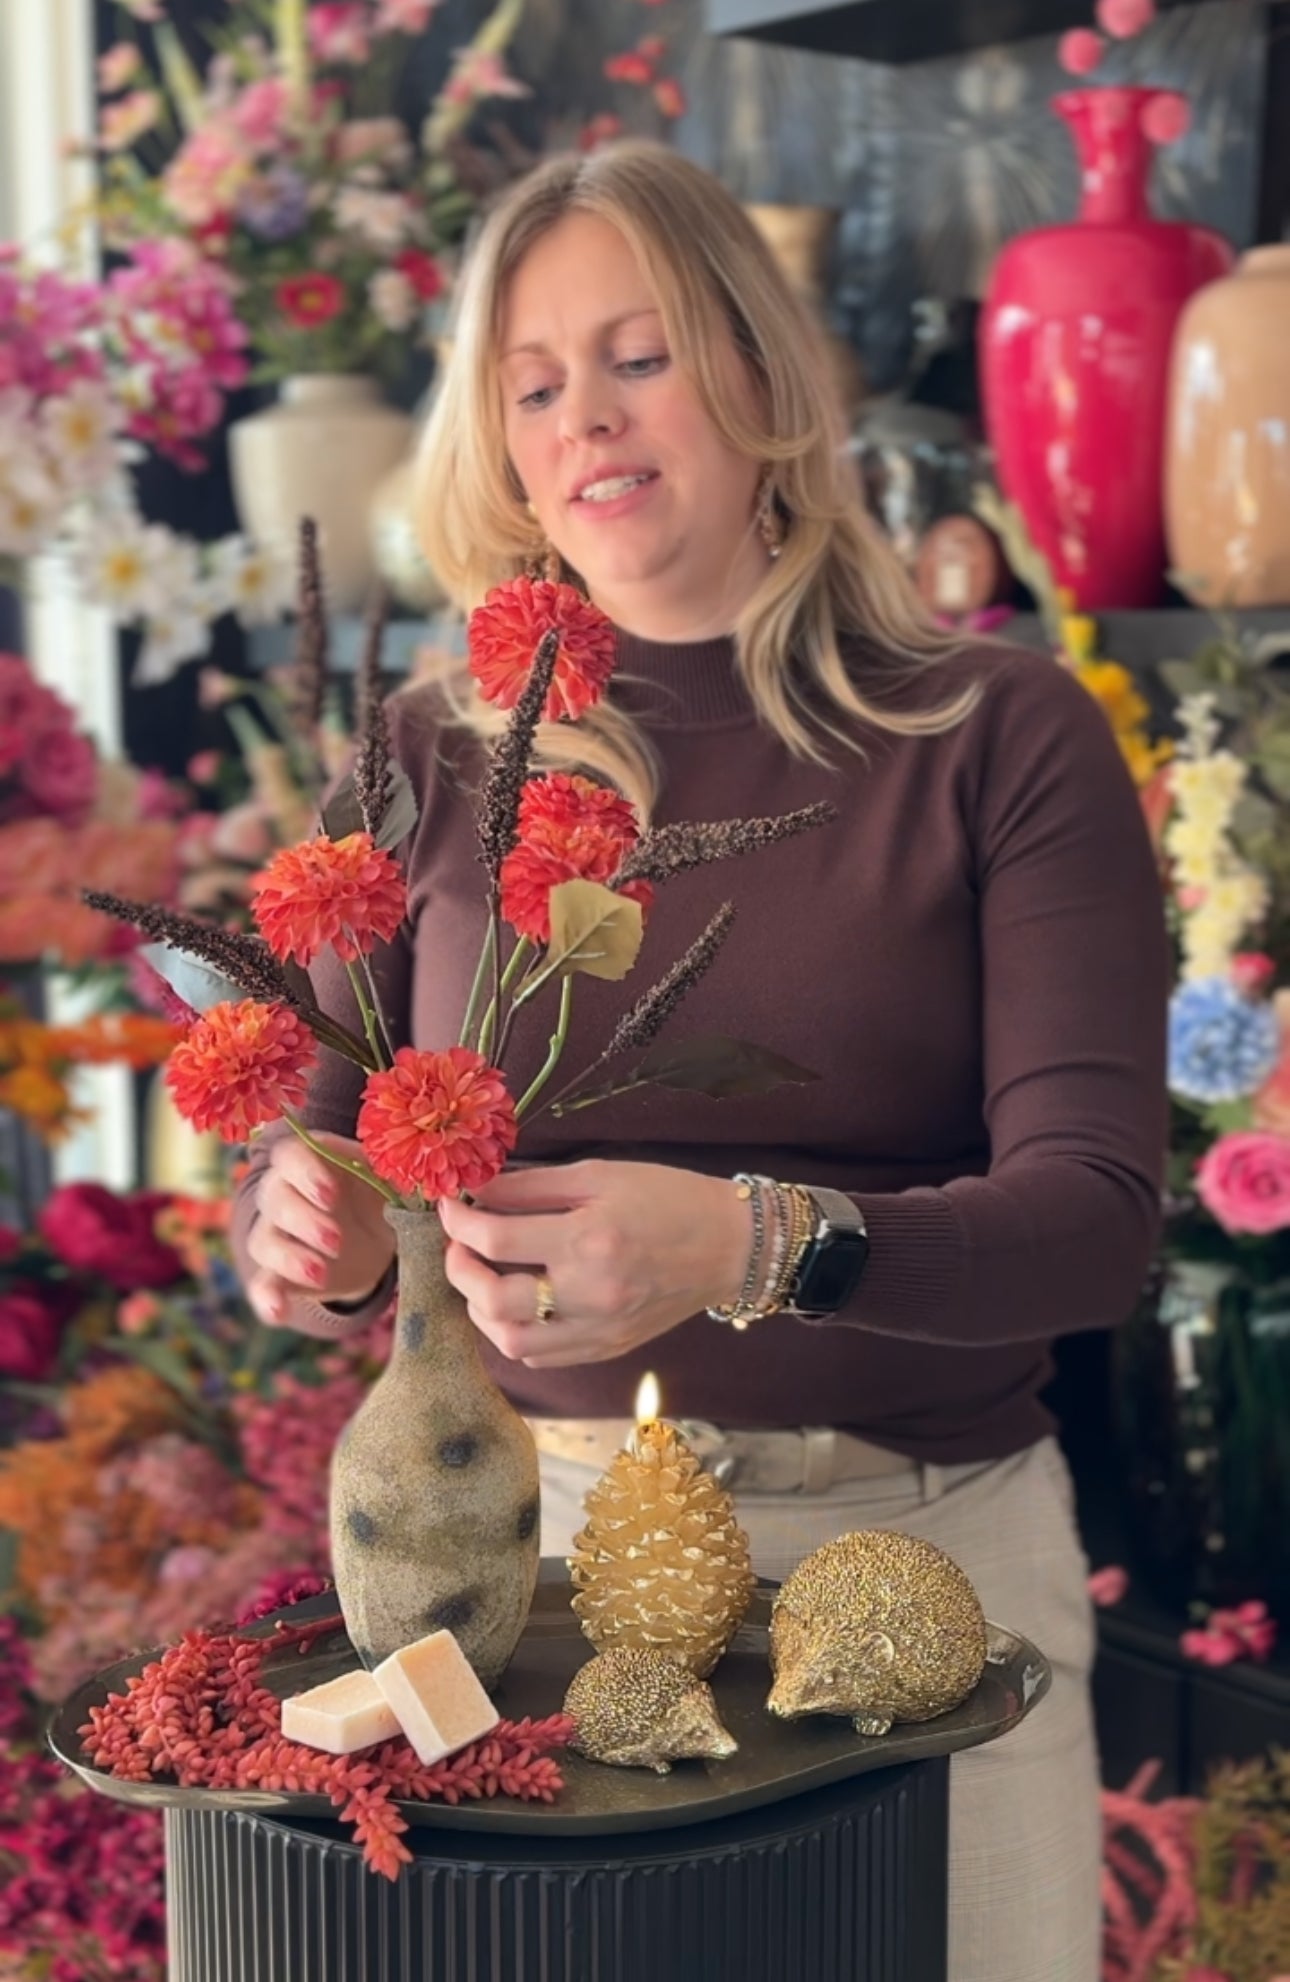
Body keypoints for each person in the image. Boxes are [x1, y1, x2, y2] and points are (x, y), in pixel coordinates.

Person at [232, 141, 1168, 1982]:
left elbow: (1091, 1229)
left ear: (755, 368)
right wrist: (305, 1236)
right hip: (531, 1582)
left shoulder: (997, 734)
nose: (583, 415)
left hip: (930, 1563)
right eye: (529, 382)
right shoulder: (426, 754)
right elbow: (319, 1163)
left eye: (638, 353)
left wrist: (746, 1244)